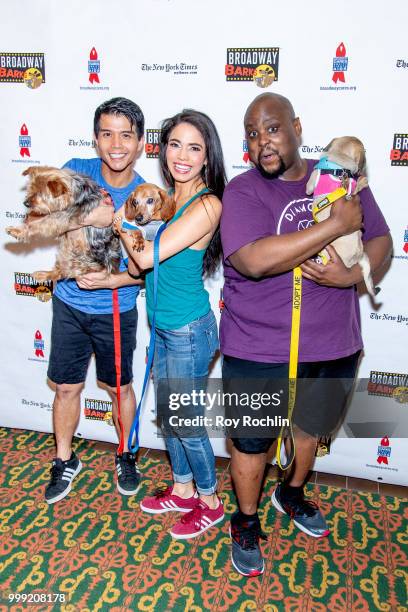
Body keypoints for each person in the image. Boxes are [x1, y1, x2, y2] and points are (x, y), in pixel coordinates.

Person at [220, 92, 392, 576]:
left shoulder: (338, 175)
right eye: (253, 135)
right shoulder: (243, 190)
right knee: (251, 443)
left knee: (311, 432)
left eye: (272, 129)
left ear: (296, 126)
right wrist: (333, 225)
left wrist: (355, 275)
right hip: (258, 347)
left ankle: (290, 492)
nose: (263, 143)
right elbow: (254, 260)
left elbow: (379, 238)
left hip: (334, 341)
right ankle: (246, 520)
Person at [115, 109, 226, 539]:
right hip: (162, 326)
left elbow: (142, 257)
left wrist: (120, 223)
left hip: (188, 330)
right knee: (170, 415)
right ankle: (182, 489)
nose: (182, 155)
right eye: (175, 144)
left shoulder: (208, 203)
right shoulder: (163, 197)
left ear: (206, 156)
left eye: (194, 147)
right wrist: (132, 230)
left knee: (187, 420)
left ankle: (210, 500)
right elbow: (139, 268)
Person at [45, 97, 146, 504]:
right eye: (107, 134)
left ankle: (126, 454)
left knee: (119, 387)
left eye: (126, 135)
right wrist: (93, 217)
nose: (116, 144)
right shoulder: (77, 171)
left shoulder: (146, 196)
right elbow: (46, 219)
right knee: (67, 388)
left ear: (141, 143)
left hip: (116, 308)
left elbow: (142, 270)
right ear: (95, 139)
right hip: (69, 303)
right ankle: (64, 459)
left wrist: (110, 282)